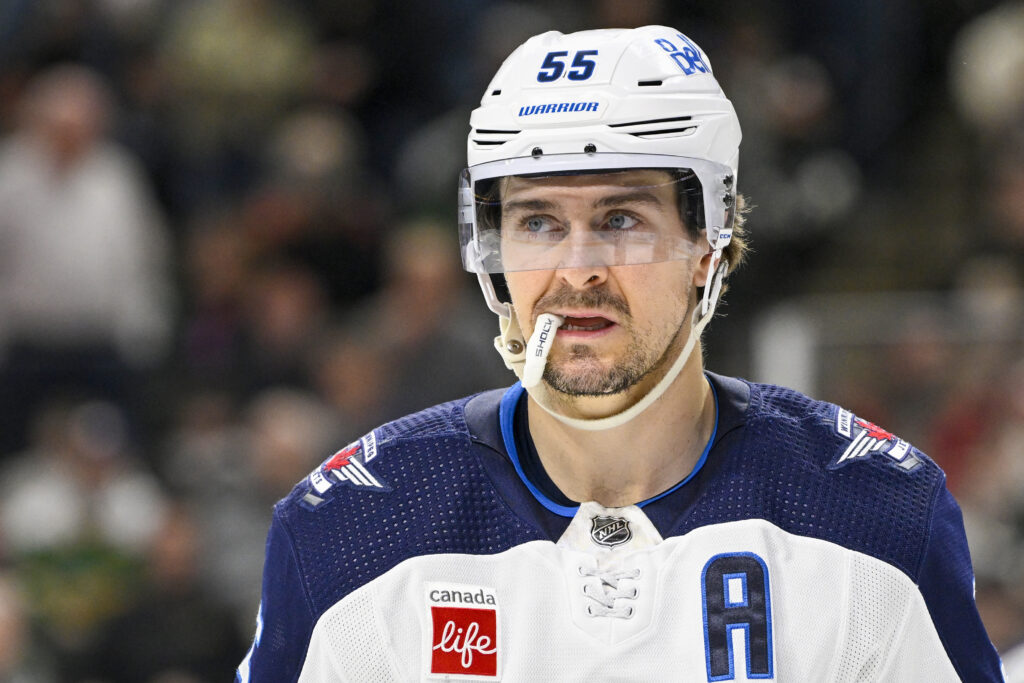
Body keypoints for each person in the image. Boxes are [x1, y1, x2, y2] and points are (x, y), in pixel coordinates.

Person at [238, 26, 1003, 681]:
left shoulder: (876, 516)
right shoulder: (352, 528)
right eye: (538, 222)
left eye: (621, 218)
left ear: (710, 242)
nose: (577, 270)